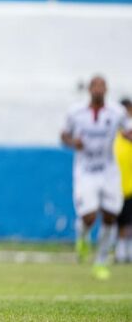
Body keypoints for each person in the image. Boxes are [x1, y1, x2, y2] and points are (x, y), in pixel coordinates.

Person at [61, 75, 132, 280]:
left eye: (102, 86)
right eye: (95, 86)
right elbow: (64, 135)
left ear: (107, 90)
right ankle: (82, 238)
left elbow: (127, 130)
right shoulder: (76, 112)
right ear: (90, 89)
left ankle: (101, 261)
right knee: (89, 217)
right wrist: (73, 142)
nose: (99, 89)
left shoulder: (117, 112)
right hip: (86, 170)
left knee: (110, 215)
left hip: (108, 170)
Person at [115, 98, 132, 263]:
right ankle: (119, 252)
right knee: (117, 220)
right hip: (114, 185)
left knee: (128, 221)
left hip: (130, 184)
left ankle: (127, 251)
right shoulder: (113, 131)